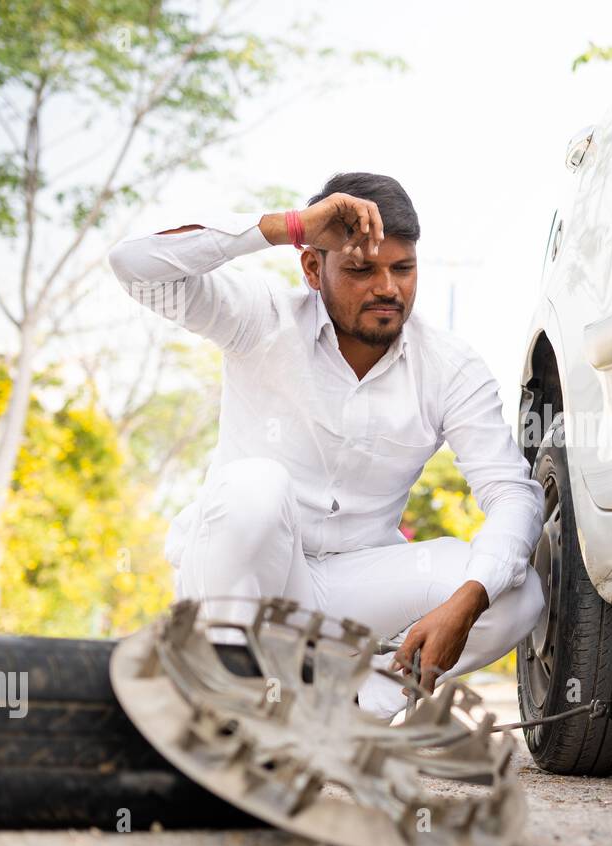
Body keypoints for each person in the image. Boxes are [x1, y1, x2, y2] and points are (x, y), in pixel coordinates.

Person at [107, 172, 546, 721]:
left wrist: (466, 601)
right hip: (240, 582)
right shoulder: (261, 317)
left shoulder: (449, 366)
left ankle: (347, 715)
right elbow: (133, 265)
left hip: (352, 587)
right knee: (255, 486)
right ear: (314, 268)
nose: (387, 287)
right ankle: (225, 700)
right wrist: (287, 227)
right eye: (362, 269)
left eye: (402, 269)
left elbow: (513, 493)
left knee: (515, 590)